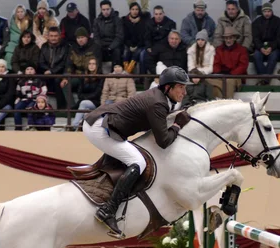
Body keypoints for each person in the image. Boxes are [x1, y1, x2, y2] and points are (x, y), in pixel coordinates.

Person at [75, 66, 193, 237]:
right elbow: (164, 141)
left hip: (104, 124)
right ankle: (108, 210)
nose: (184, 91)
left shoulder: (161, 98)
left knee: (130, 158)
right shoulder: (158, 103)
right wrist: (177, 125)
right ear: (168, 87)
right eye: (181, 87)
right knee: (138, 162)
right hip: (100, 128)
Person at [208, 26, 248, 99]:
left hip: (236, 77)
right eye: (226, 38)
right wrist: (219, 73)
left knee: (229, 82)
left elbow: (242, 66)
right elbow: (216, 64)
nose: (228, 40)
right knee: (208, 81)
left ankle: (228, 103)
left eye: (230, 38)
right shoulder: (219, 49)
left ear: (235, 38)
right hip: (221, 76)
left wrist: (231, 74)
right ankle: (219, 104)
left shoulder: (242, 50)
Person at [252, 2, 280, 85]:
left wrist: (271, 47)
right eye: (265, 11)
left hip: (274, 47)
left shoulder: (278, 21)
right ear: (262, 12)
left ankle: (263, 80)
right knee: (256, 56)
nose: (267, 13)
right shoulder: (256, 22)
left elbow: (279, 38)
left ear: (272, 11)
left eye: (269, 11)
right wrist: (261, 48)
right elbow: (255, 38)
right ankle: (265, 80)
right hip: (260, 47)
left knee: (274, 56)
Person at [38, 26, 68, 108]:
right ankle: (39, 107)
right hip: (46, 72)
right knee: (37, 79)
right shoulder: (44, 46)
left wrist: (51, 71)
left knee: (57, 80)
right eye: (51, 36)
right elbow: (41, 61)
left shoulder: (65, 47)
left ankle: (61, 109)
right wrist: (47, 70)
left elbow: (63, 63)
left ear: (59, 36)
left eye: (55, 36)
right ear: (48, 36)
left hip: (59, 73)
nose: (53, 38)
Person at [72, 56, 104, 129]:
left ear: (97, 65)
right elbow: (79, 92)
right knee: (85, 107)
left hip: (96, 102)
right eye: (90, 64)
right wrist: (84, 98)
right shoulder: (83, 77)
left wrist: (85, 98)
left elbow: (97, 93)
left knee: (83, 103)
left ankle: (74, 125)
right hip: (84, 101)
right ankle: (81, 126)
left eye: (93, 64)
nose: (91, 65)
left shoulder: (101, 77)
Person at [14, 64, 47, 130]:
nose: (29, 71)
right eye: (28, 69)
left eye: (31, 69)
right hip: (24, 99)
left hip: (35, 100)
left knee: (30, 109)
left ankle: (30, 127)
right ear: (25, 71)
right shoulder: (21, 81)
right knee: (16, 109)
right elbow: (18, 91)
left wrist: (39, 98)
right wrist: (18, 98)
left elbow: (44, 90)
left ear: (35, 71)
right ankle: (18, 128)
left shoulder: (39, 81)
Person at [93, 0, 124, 70]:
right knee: (96, 51)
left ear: (111, 8)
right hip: (101, 45)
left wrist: (110, 47)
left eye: (107, 9)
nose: (106, 11)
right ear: (101, 10)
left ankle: (114, 75)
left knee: (117, 52)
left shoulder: (117, 20)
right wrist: (100, 46)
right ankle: (98, 74)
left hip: (113, 45)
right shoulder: (97, 21)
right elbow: (96, 37)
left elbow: (119, 36)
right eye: (103, 9)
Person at [122, 2, 147, 74]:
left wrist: (137, 46)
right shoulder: (125, 20)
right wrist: (130, 46)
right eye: (133, 9)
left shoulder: (143, 21)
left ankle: (127, 74)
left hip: (140, 45)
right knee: (125, 54)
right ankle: (127, 73)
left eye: (136, 9)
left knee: (136, 54)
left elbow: (143, 36)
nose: (135, 11)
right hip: (128, 44)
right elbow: (124, 36)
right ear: (130, 10)